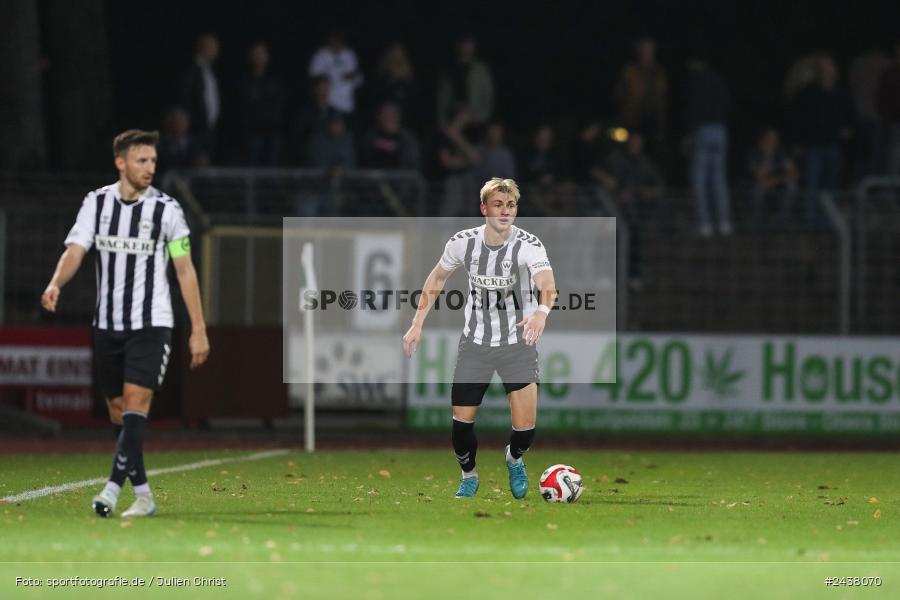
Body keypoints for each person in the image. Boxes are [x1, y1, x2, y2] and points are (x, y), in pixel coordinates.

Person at [40, 130, 210, 518]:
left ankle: (111, 491)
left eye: (153, 161)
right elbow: (76, 250)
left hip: (152, 323)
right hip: (107, 324)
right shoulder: (96, 203)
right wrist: (55, 283)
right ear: (121, 162)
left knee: (136, 402)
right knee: (118, 409)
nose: (150, 168)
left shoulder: (167, 210)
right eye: (142, 161)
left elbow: (184, 269)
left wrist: (198, 328)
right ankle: (145, 494)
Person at [402, 178, 557, 499]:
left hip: (518, 344)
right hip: (475, 345)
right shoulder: (463, 242)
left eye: (511, 205)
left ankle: (514, 459)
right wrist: (416, 323)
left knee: (526, 430)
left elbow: (547, 283)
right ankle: (468, 476)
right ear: (484, 208)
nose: (505, 211)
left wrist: (541, 312)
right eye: (498, 205)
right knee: (461, 425)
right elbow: (437, 279)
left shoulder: (529, 244)